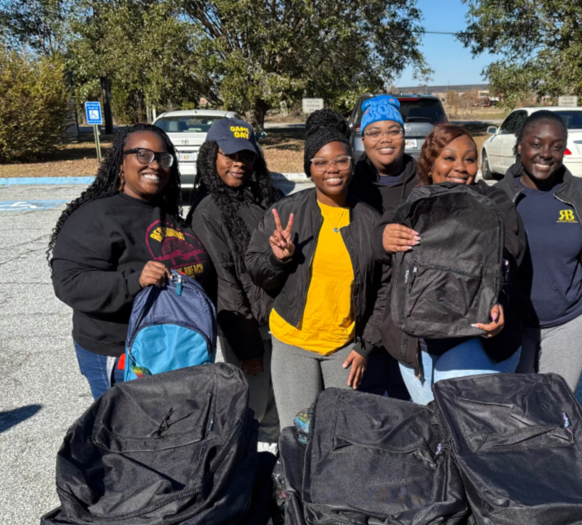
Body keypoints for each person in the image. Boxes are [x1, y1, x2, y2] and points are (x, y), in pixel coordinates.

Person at [49, 123, 215, 400]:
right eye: (143, 155)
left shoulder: (167, 214)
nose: (155, 165)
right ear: (120, 163)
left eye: (163, 159)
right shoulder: (95, 216)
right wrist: (133, 281)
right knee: (129, 432)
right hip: (122, 352)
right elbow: (68, 282)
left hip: (175, 348)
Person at [246, 109, 386, 431]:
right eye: (320, 162)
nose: (332, 169)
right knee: (298, 435)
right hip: (293, 343)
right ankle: (295, 484)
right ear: (309, 169)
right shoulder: (286, 212)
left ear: (352, 164)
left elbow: (385, 286)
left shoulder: (369, 220)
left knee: (341, 434)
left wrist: (365, 346)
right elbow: (256, 269)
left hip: (345, 347)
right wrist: (277, 259)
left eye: (341, 160)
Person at [378, 124, 529, 405]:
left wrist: (499, 303)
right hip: (417, 342)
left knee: (460, 425)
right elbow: (381, 239)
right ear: (430, 163)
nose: (461, 167)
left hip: (474, 334)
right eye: (449, 158)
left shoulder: (493, 202)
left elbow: (508, 256)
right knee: (432, 425)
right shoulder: (416, 201)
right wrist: (383, 236)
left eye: (469, 159)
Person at [491, 110, 582, 391]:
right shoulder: (496, 197)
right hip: (512, 323)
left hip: (568, 322)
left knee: (555, 406)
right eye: (536, 143)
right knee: (512, 407)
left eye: (556, 146)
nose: (546, 153)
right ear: (520, 146)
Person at [187, 118, 283, 424]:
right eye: (229, 156)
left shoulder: (262, 197)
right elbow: (226, 284)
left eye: (246, 156)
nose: (239, 164)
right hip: (248, 331)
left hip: (280, 326)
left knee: (278, 408)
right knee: (251, 411)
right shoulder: (208, 212)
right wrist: (248, 348)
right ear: (211, 155)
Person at [347, 95, 416, 400]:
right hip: (363, 321)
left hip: (413, 322)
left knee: (413, 411)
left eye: (394, 130)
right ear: (363, 139)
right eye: (374, 132)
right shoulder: (348, 184)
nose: (385, 140)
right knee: (368, 413)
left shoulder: (425, 180)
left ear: (404, 135)